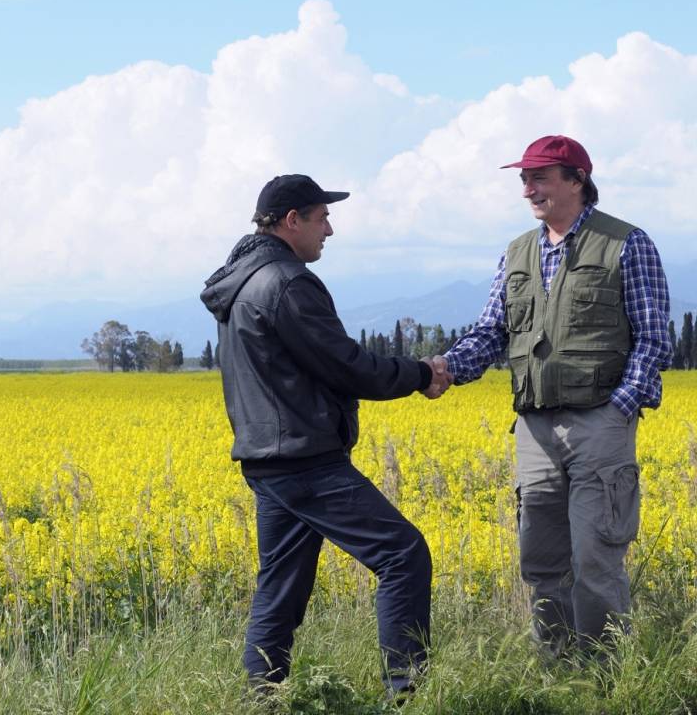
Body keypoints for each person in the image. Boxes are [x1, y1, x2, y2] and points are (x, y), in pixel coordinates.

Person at [200, 173, 451, 698]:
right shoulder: (286, 282)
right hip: (304, 459)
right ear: (292, 221)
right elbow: (346, 365)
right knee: (403, 555)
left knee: (281, 585)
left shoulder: (242, 281)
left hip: (267, 459)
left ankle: (258, 698)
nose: (329, 231)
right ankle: (407, 695)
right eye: (321, 218)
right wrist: (421, 375)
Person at [435, 135, 672, 658]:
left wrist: (620, 410)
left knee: (596, 557)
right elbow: (491, 332)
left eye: (539, 177)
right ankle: (557, 671)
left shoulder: (626, 243)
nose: (527, 189)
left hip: (600, 423)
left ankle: (606, 673)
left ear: (576, 180)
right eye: (524, 179)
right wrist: (443, 369)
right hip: (534, 430)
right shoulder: (517, 251)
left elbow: (655, 336)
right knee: (540, 561)